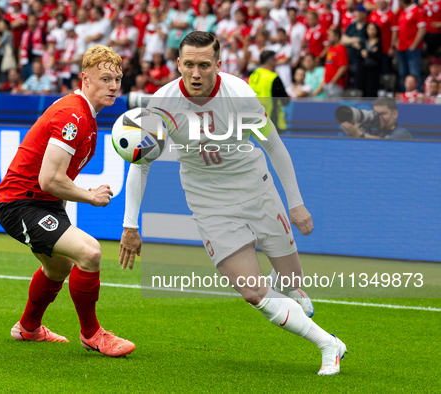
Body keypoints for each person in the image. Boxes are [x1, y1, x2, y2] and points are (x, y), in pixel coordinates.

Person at [119, 31, 347, 375]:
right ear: (178, 64)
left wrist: (296, 203)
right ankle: (329, 344)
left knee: (291, 281)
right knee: (254, 291)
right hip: (209, 204)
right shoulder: (161, 104)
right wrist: (130, 225)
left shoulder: (239, 93)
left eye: (204, 65)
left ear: (218, 65)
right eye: (189, 65)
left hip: (257, 191)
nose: (196, 74)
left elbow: (274, 146)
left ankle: (291, 295)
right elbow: (142, 165)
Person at [0, 45, 135, 357]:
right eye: (105, 79)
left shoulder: (84, 114)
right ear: (85, 79)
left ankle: (28, 328)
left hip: (42, 203)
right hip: (20, 203)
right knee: (90, 253)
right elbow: (49, 179)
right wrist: (91, 197)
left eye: (118, 80)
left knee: (58, 268)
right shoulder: (73, 116)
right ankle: (92, 334)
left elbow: (53, 181)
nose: (113, 86)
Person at [248, 50, 290, 133]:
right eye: (275, 60)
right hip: (271, 120)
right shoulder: (273, 77)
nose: (276, 62)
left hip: (254, 120)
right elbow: (285, 100)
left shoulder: (253, 75)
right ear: (271, 61)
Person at [341, 96, 413, 139]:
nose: (379, 117)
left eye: (383, 113)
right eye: (375, 113)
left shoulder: (402, 133)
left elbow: (387, 144)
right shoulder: (374, 134)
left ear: (395, 114)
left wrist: (359, 135)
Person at [396, 0, 426, 91]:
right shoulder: (402, 12)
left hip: (412, 49)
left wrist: (414, 44)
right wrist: (397, 42)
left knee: (414, 73)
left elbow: (422, 29)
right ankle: (404, 95)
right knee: (402, 74)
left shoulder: (417, 10)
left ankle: (417, 96)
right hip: (401, 48)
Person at [323, 27, 348, 98]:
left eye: (330, 36)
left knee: (335, 106)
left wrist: (333, 82)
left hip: (336, 84)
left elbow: (343, 67)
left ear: (337, 37)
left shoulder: (341, 49)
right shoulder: (330, 48)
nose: (328, 38)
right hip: (327, 83)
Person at [360, 22, 382, 97]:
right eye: (369, 29)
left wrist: (368, 53)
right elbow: (360, 52)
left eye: (373, 29)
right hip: (364, 69)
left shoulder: (379, 42)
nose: (371, 31)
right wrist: (370, 52)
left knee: (371, 89)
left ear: (376, 31)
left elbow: (377, 55)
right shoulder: (364, 41)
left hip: (374, 70)